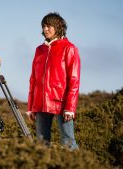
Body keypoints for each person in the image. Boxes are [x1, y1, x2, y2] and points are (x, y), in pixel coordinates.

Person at [27, 12, 80, 150]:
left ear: (58, 27)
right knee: (41, 144)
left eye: (49, 26)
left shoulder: (69, 48)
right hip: (40, 103)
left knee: (68, 142)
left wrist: (70, 107)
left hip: (61, 102)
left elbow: (74, 80)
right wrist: (31, 106)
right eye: (44, 26)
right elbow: (33, 79)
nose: (45, 29)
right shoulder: (39, 50)